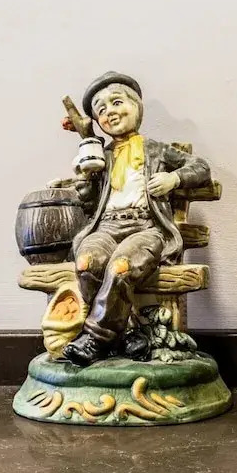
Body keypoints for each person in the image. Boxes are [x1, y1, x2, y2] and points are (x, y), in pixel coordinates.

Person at [56, 72, 211, 366]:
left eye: (117, 102)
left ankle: (95, 339)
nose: (110, 112)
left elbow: (200, 167)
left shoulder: (156, 150)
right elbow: (89, 202)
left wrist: (174, 179)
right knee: (86, 263)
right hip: (106, 227)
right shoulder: (100, 155)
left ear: (136, 106)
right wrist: (86, 180)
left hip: (145, 228)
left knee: (121, 267)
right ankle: (126, 333)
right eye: (101, 109)